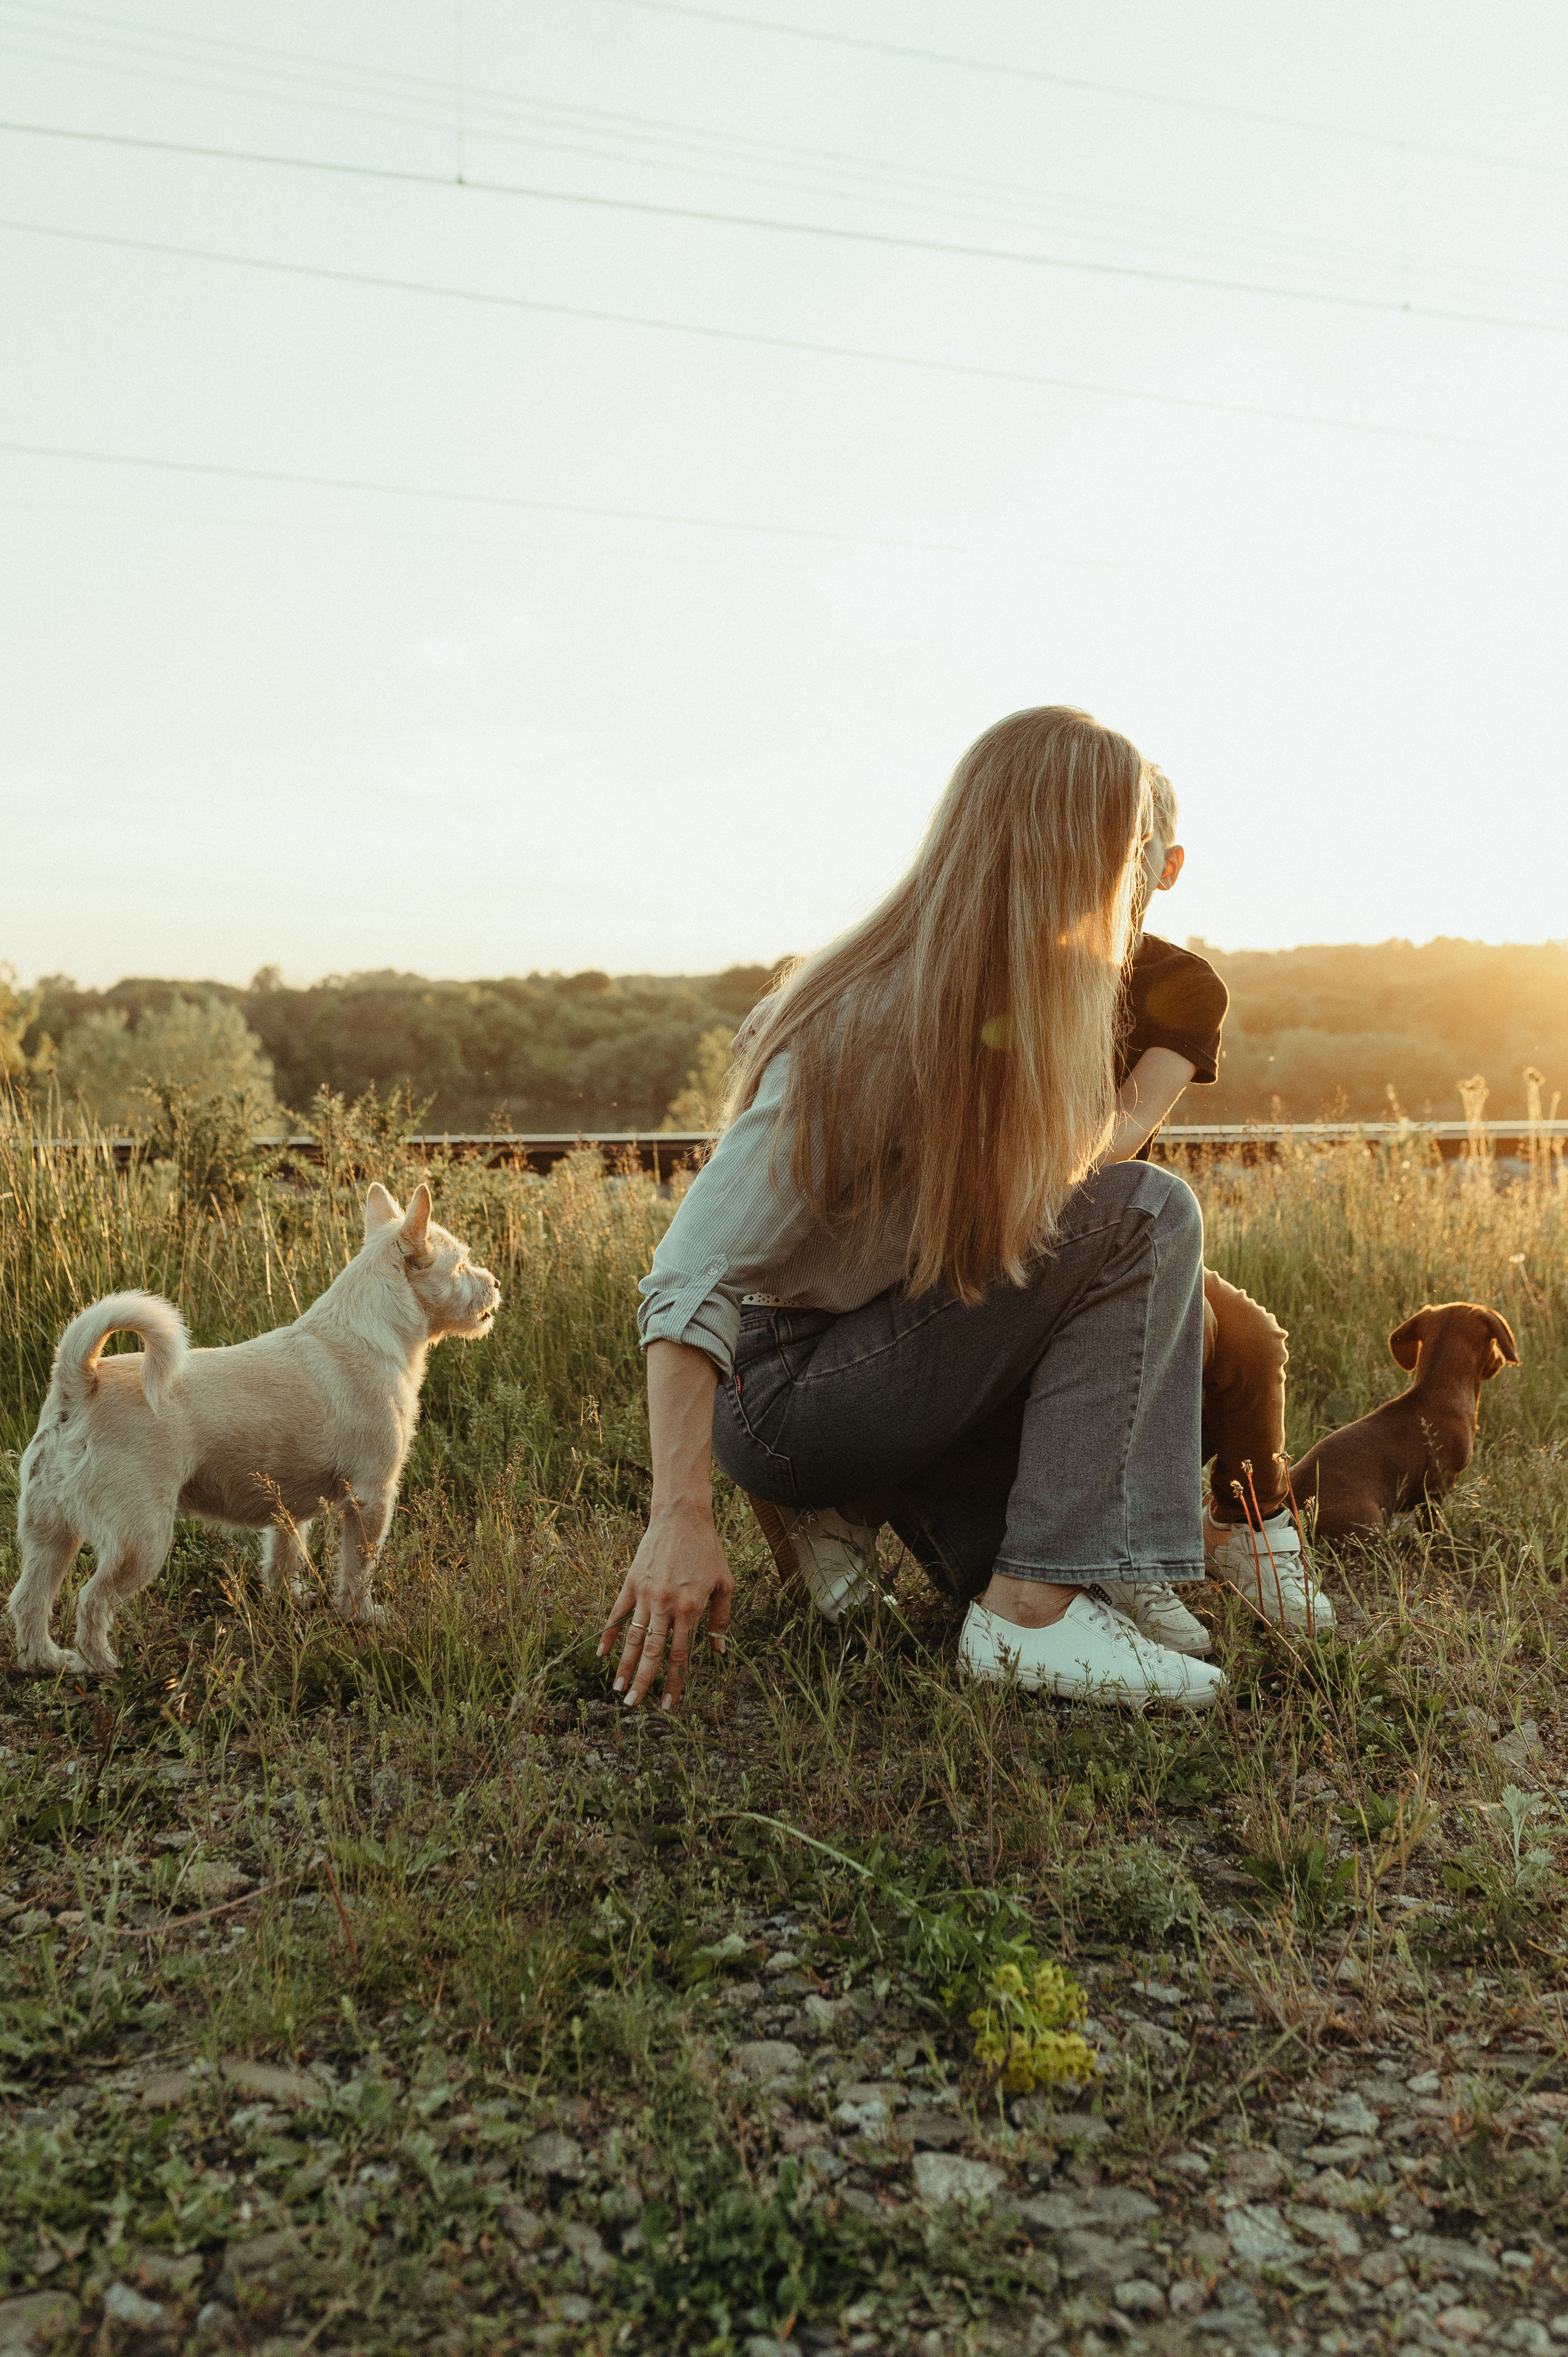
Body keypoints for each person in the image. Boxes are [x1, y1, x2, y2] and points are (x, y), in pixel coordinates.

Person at [598, 706, 1226, 1714]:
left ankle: (1051, 1585)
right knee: (1144, 1213)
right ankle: (1033, 1613)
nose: (1140, 881)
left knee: (1020, 1551)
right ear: (1074, 856)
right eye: (1131, 853)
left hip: (888, 1351)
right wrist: (680, 1514)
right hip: (792, 1391)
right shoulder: (875, 1016)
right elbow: (691, 1277)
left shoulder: (1031, 999)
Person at [1095, 767, 1333, 1644]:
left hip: (1113, 1220)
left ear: (1169, 867)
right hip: (1011, 1225)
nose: (1111, 872)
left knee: (1254, 1342)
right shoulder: (1018, 967)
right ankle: (1128, 1548)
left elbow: (1123, 1126)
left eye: (1134, 854)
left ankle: (1245, 1531)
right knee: (1189, 1333)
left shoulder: (1182, 985)